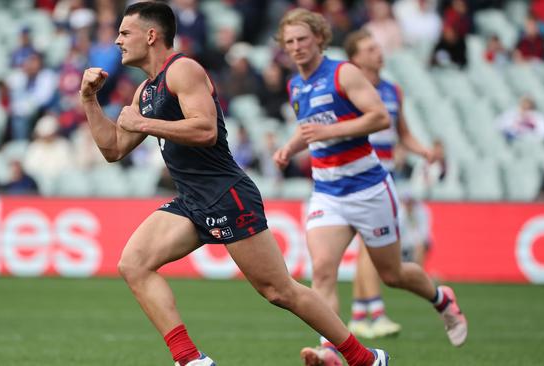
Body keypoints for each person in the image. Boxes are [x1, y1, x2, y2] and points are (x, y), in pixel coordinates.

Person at [79, 3, 388, 366]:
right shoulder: (146, 91)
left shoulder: (183, 70)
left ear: (151, 35)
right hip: (192, 200)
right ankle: (191, 360)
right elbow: (114, 149)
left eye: (124, 32)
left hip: (226, 195)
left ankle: (365, 359)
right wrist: (89, 99)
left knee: (279, 291)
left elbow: (206, 130)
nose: (117, 40)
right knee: (133, 264)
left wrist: (145, 125)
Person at [273, 8, 467, 365]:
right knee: (323, 271)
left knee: (392, 274)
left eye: (302, 39)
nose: (296, 46)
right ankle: (328, 349)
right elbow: (309, 127)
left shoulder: (344, 73)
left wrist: (328, 132)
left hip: (368, 188)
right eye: (289, 42)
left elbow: (379, 118)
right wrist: (289, 146)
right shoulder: (295, 84)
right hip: (328, 192)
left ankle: (442, 299)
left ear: (319, 38)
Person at [343, 29, 435, 339]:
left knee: (368, 248)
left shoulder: (393, 90)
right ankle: (376, 313)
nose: (378, 53)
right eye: (369, 49)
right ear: (355, 58)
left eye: (378, 47)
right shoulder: (348, 90)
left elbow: (403, 133)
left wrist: (423, 151)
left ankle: (359, 314)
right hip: (358, 175)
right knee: (372, 247)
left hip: (386, 177)